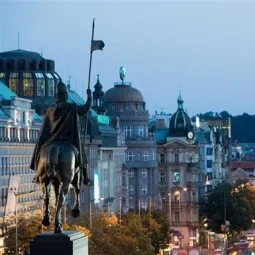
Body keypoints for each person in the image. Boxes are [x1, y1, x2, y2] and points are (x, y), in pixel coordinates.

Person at [30, 80, 92, 186]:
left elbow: (45, 129)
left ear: (56, 96)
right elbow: (85, 108)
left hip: (52, 141)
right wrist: (89, 97)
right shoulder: (71, 107)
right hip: (68, 141)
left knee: (41, 152)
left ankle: (37, 174)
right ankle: (86, 177)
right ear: (66, 95)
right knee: (82, 154)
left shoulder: (50, 110)